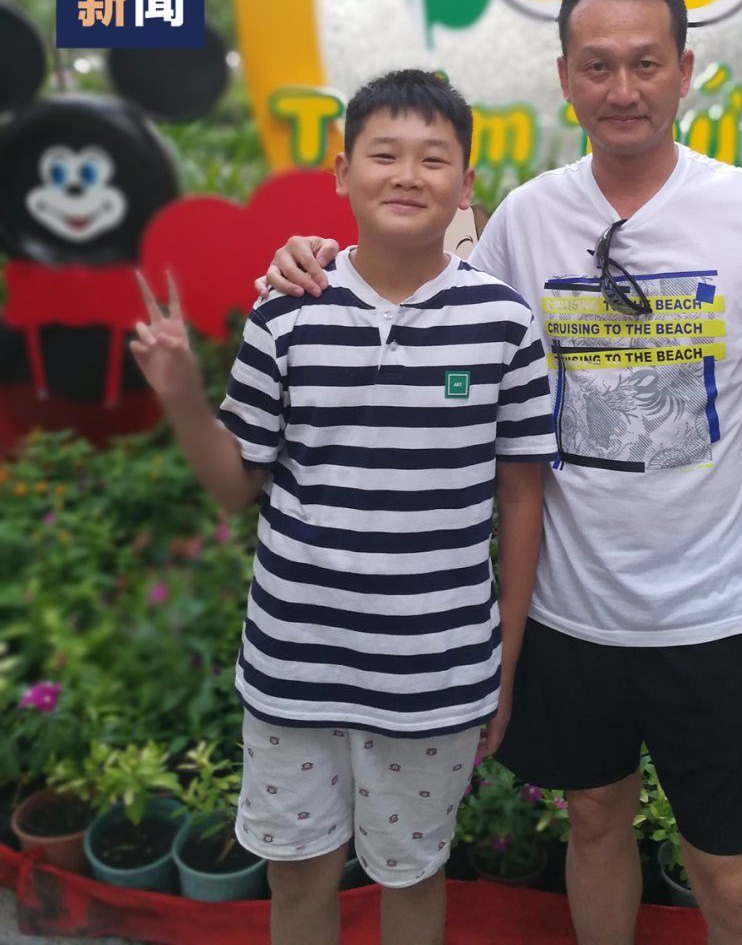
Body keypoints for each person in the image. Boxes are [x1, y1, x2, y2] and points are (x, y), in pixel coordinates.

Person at [258, 0, 742, 945]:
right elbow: (414, 292)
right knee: (593, 822)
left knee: (731, 878)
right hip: (570, 613)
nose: (622, 88)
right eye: (597, 65)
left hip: (709, 619)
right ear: (565, 78)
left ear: (685, 72)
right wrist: (310, 259)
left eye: (645, 63)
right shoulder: (527, 218)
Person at [131, 69, 556, 945]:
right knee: (297, 875)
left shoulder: (505, 323)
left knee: (413, 873)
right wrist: (180, 395)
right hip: (295, 662)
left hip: (434, 669)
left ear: (466, 185)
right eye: (384, 154)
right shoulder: (285, 315)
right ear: (342, 171)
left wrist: (504, 663)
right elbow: (236, 482)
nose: (408, 175)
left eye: (434, 158)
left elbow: (521, 496)